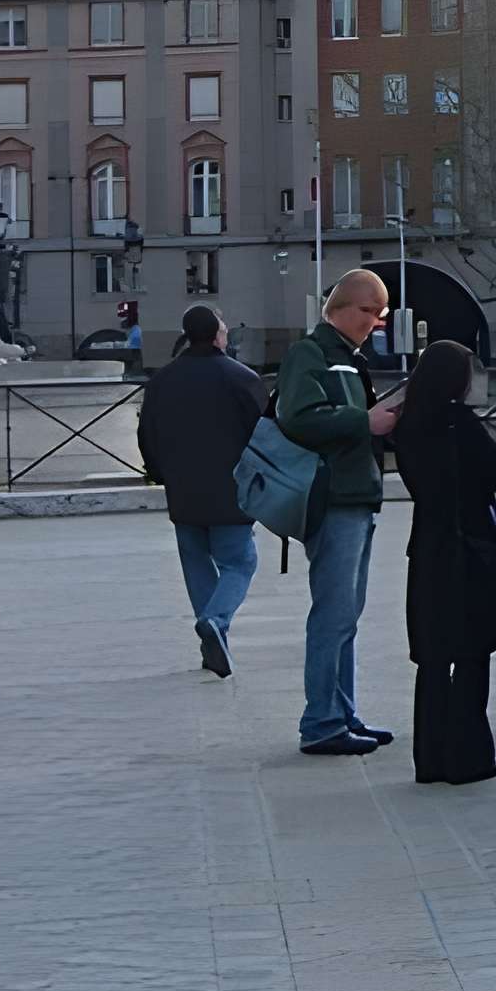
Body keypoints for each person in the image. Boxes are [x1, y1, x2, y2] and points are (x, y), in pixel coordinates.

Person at [276, 269, 404, 757]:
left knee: (345, 616)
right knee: (334, 615)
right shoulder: (311, 354)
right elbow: (298, 418)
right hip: (334, 502)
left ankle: (341, 713)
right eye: (369, 312)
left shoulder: (345, 358)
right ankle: (322, 722)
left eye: (381, 313)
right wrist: (364, 420)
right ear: (342, 308)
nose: (376, 322)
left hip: (355, 497)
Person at [390, 339, 496, 787]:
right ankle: (468, 758)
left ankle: (429, 760)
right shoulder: (459, 424)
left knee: (431, 658)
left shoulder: (406, 426)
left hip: (427, 546)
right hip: (470, 549)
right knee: (470, 655)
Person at [137, 303, 267, 678]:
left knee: (196, 565)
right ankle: (215, 621)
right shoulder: (241, 377)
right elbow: (264, 434)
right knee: (240, 562)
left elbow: (147, 434)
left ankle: (213, 641)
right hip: (231, 489)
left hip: (183, 492)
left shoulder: (162, 381)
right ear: (216, 335)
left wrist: (160, 474)